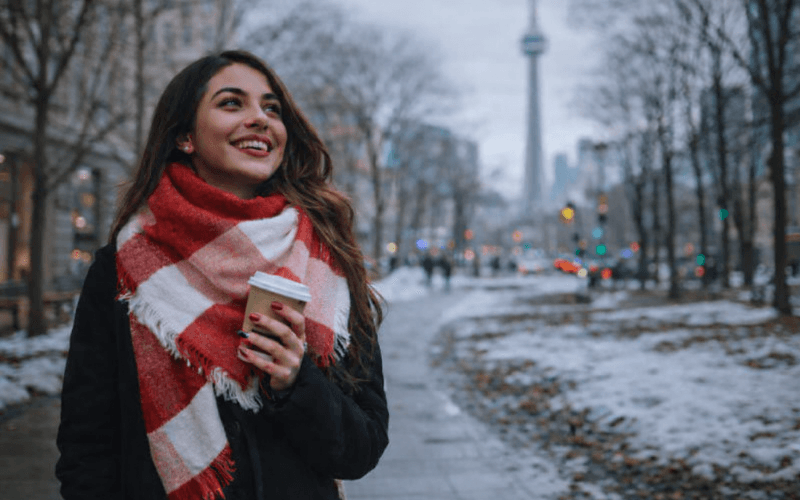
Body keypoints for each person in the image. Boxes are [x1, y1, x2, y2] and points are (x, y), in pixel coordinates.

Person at [56, 50, 388, 500]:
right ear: (185, 137)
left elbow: (361, 449)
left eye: (271, 108)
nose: (260, 119)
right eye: (232, 103)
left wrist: (296, 382)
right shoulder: (124, 269)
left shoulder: (328, 262)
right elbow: (87, 447)